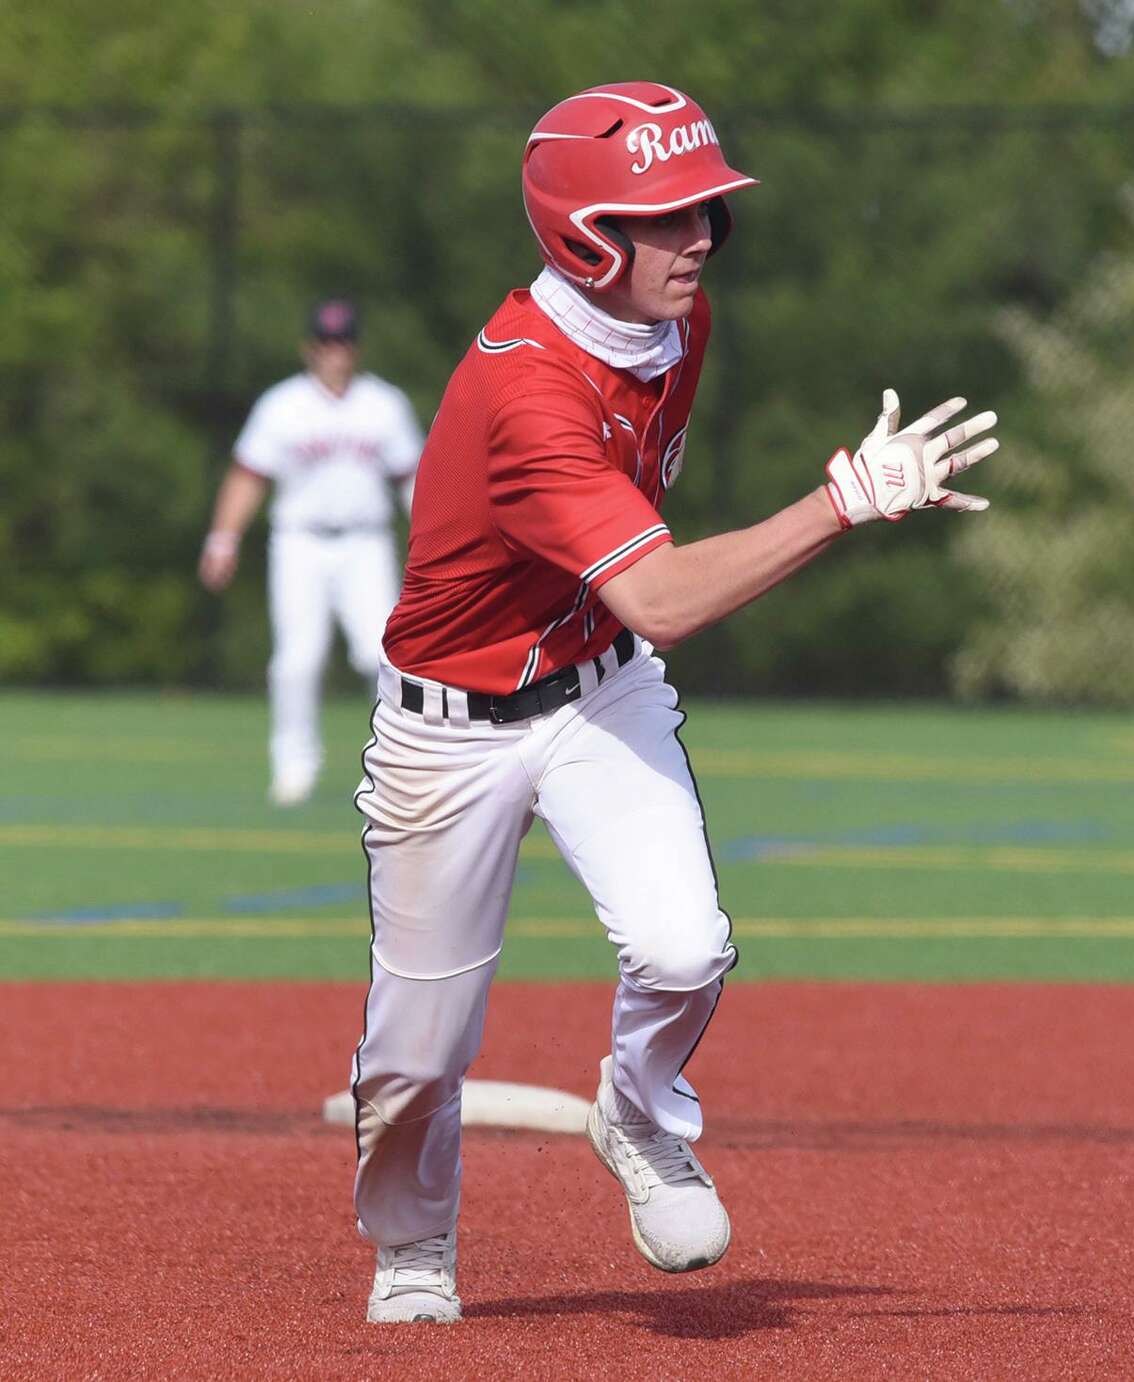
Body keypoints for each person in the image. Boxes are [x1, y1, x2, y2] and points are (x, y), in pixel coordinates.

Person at [350, 82, 999, 1325]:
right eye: (663, 215)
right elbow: (661, 595)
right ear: (582, 232)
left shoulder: (670, 327)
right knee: (415, 1056)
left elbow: (628, 612)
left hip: (599, 687)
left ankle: (639, 1118)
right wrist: (843, 500)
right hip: (451, 726)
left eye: (706, 208)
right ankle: (414, 1240)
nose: (698, 234)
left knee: (687, 945)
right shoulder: (525, 390)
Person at [198, 300, 425, 805]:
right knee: (297, 659)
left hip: (366, 542)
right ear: (309, 349)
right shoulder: (282, 405)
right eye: (325, 343)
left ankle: (392, 764)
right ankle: (294, 766)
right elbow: (247, 475)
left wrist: (441, 543)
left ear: (356, 348)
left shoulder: (383, 405)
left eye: (342, 342)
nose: (334, 352)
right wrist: (223, 538)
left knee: (382, 655)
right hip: (299, 542)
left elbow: (414, 481)